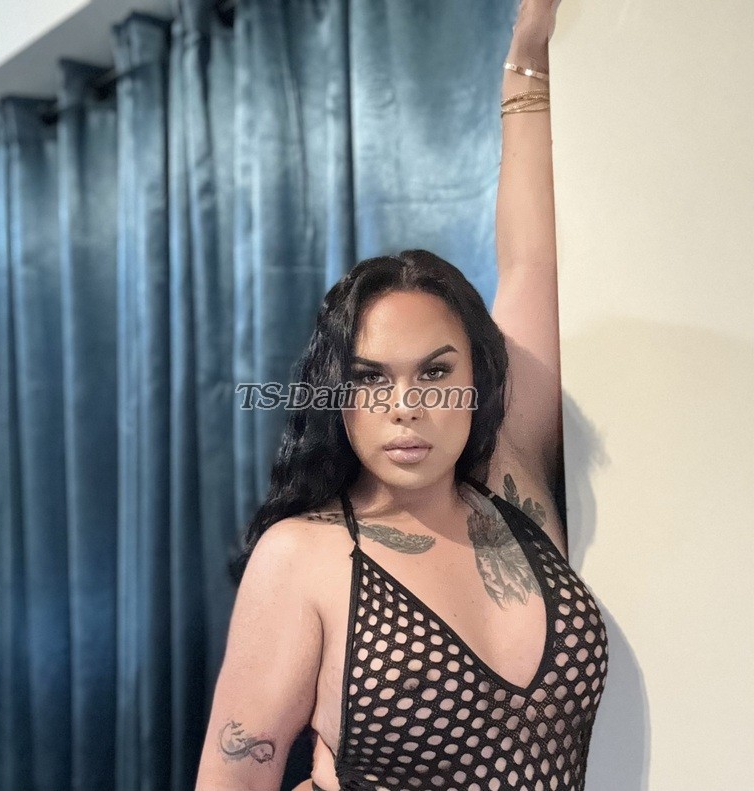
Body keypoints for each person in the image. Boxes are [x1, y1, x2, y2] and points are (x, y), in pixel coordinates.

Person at [194, 1, 608, 790]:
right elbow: (230, 778)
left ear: (477, 381)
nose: (405, 405)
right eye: (370, 378)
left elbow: (533, 267)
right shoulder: (303, 556)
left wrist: (528, 65)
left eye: (436, 373)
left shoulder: (511, 477)